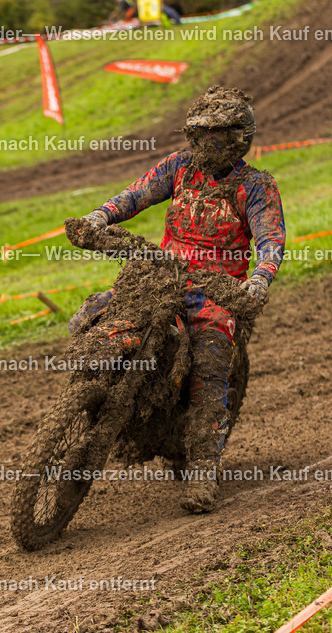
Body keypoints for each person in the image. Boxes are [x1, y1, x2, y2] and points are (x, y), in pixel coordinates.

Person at [69, 86, 285, 513]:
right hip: (162, 274)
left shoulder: (256, 186)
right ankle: (82, 395)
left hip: (217, 292)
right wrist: (101, 216)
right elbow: (136, 194)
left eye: (219, 136)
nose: (209, 145)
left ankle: (203, 468)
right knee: (95, 313)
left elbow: (271, 239)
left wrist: (260, 277)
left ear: (241, 137)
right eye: (202, 135)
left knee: (210, 364)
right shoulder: (180, 167)